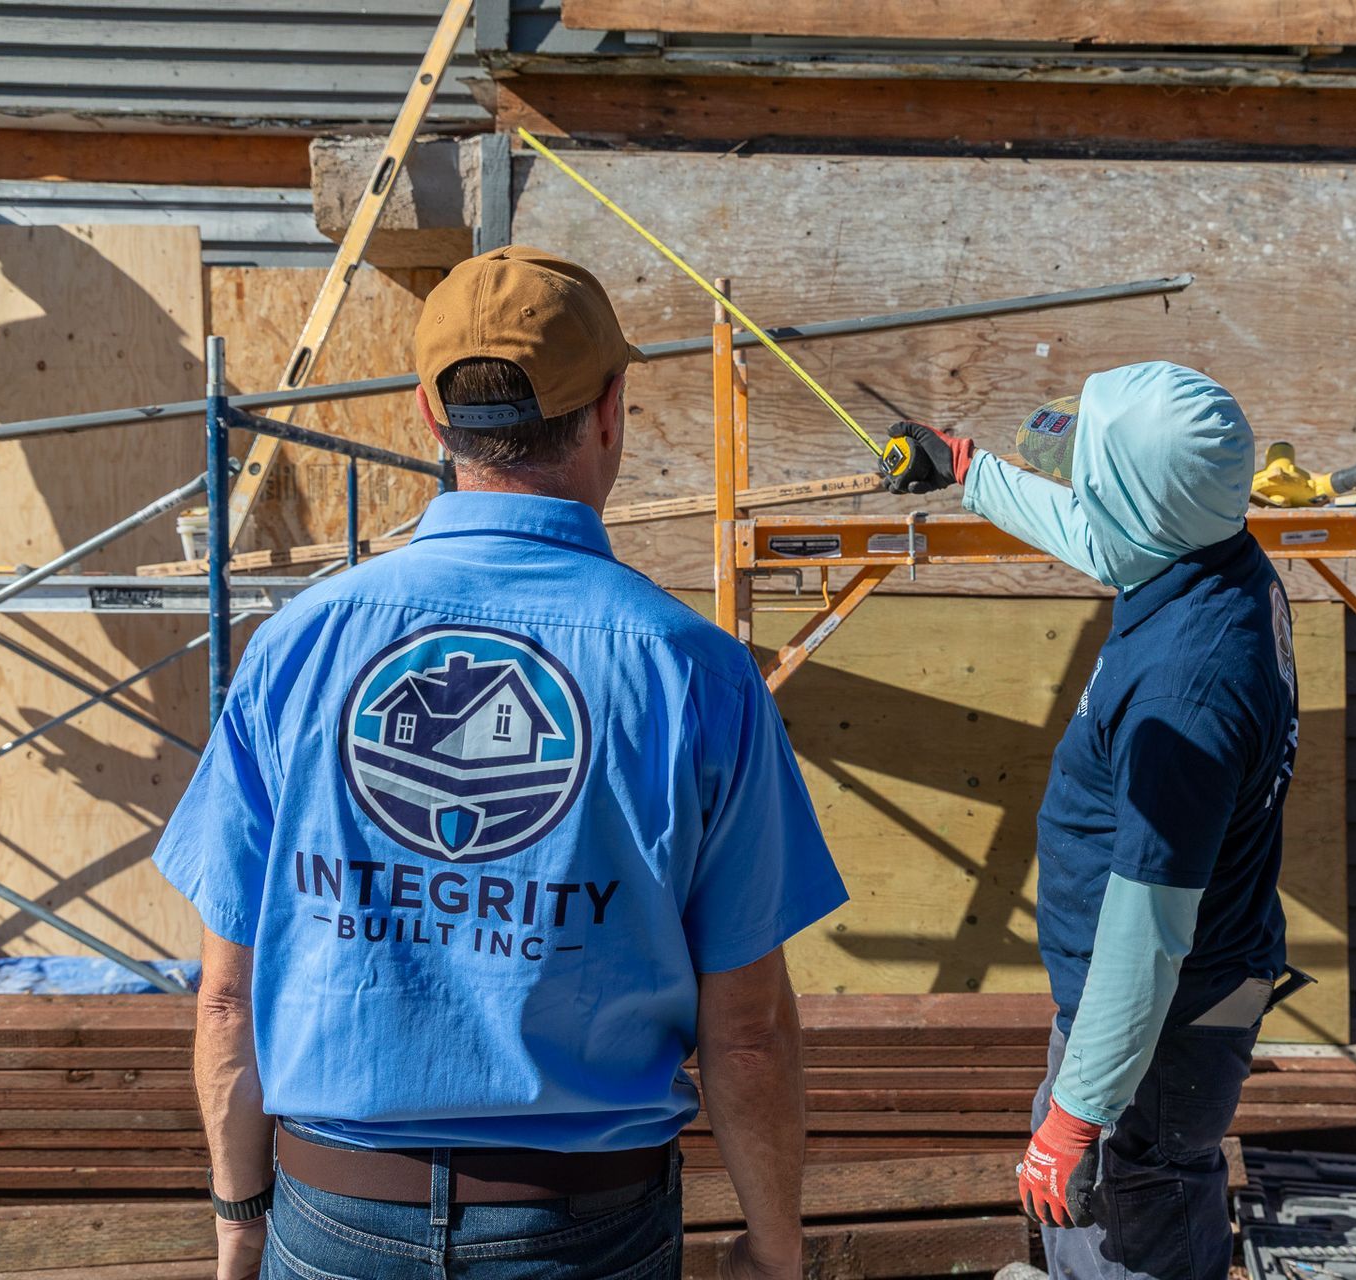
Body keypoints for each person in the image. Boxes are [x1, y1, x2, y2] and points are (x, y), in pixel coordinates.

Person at [155, 246, 848, 1280]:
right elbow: (745, 1029)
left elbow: (225, 997)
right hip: (583, 1226)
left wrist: (242, 1219)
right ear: (612, 408)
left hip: (337, 1212)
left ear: (429, 417)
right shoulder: (691, 670)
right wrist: (774, 1244)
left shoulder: (298, 648)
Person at [884, 362, 1299, 1280]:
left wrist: (1077, 1118)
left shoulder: (1184, 698)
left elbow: (1144, 936)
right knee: (1132, 1214)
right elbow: (1103, 533)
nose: (1076, 484)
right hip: (1171, 1013)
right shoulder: (1216, 558)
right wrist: (966, 467)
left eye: (1092, 470)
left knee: (1127, 1234)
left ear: (1142, 508)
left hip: (1163, 1022)